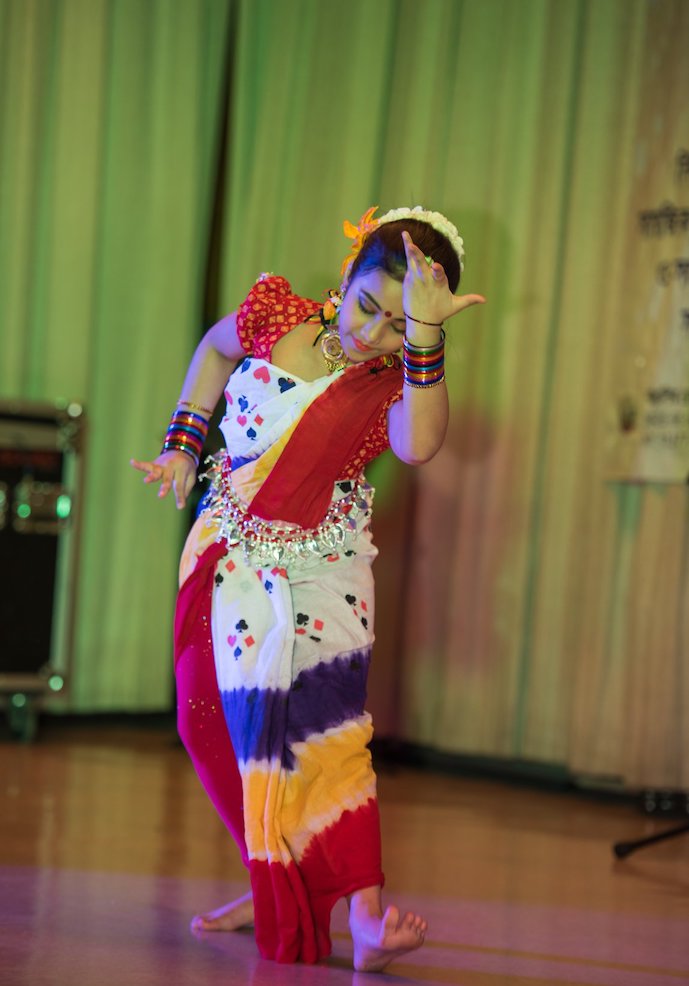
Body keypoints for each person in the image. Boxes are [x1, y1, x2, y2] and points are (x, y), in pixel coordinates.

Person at [131, 205, 485, 972]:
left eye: (399, 325)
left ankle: (364, 918)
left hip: (318, 571)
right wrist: (184, 442)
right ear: (347, 274)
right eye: (367, 306)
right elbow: (214, 350)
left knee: (323, 736)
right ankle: (275, 875)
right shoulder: (276, 314)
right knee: (205, 722)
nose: (372, 333)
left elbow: (420, 445)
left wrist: (424, 341)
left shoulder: (394, 384)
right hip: (225, 551)